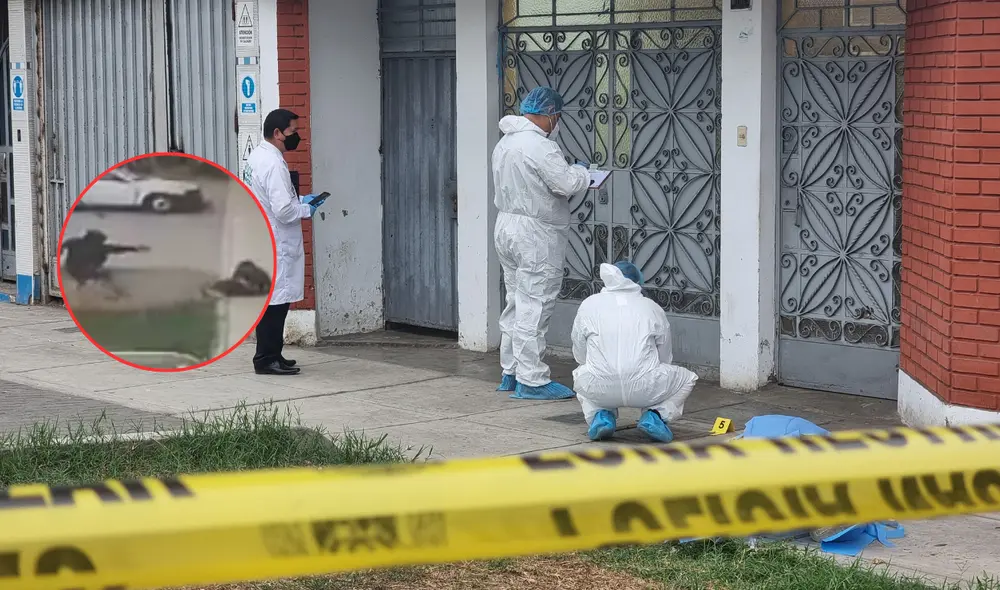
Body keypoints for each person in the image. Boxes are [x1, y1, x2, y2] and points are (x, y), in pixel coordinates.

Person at [493, 86, 591, 400]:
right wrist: (583, 173)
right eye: (557, 117)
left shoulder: (505, 142)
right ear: (549, 115)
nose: (557, 123)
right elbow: (564, 184)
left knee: (515, 301)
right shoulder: (540, 146)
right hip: (535, 234)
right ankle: (532, 379)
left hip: (506, 226)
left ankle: (510, 371)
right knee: (534, 305)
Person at [570, 261, 699, 443]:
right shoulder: (651, 307)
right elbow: (664, 356)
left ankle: (600, 416)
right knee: (688, 378)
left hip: (599, 388)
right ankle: (656, 415)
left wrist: (596, 366)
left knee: (581, 375)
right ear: (636, 281)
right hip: (645, 387)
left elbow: (580, 352)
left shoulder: (588, 305)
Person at [243, 108, 326, 376]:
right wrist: (304, 208)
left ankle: (273, 353)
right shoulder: (274, 164)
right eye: (292, 131)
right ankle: (267, 359)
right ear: (277, 133)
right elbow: (284, 211)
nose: (296, 136)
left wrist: (298, 200)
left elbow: (272, 199)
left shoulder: (257, 156)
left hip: (264, 234)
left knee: (273, 300)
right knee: (275, 303)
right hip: (276, 239)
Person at [60, 229, 150, 298]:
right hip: (82, 269)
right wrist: (136, 248)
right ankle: (120, 293)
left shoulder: (75, 241)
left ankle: (82, 288)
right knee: (106, 276)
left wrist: (61, 251)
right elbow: (119, 249)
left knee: (92, 277)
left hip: (71, 269)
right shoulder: (99, 247)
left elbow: (64, 244)